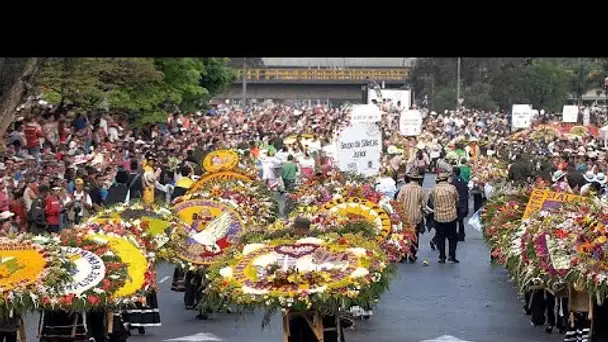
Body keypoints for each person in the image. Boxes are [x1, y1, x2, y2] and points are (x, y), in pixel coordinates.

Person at [429, 172, 459, 263]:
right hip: (451, 215)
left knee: (440, 237)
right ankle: (451, 255)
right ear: (447, 179)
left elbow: (431, 200)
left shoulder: (434, 189)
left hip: (438, 216)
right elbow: (457, 198)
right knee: (453, 237)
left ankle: (442, 256)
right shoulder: (452, 188)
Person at [396, 171, 425, 263]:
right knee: (414, 236)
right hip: (416, 217)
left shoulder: (403, 188)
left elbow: (398, 201)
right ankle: (412, 255)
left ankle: (403, 254)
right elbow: (423, 204)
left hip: (404, 216)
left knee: (403, 235)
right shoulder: (420, 190)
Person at [451, 167, 469, 242]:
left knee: (453, 221)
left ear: (454, 173)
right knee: (461, 221)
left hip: (455, 204)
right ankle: (462, 235)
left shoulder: (452, 183)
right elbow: (466, 194)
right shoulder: (463, 181)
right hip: (463, 203)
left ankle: (454, 234)